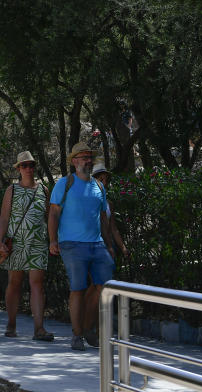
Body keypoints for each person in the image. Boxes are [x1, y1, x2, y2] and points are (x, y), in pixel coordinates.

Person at [48, 142, 114, 351]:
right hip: (71, 244)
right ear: (74, 161)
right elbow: (54, 213)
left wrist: (109, 244)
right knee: (77, 288)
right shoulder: (64, 183)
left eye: (89, 157)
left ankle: (87, 329)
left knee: (104, 288)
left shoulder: (99, 186)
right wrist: (52, 240)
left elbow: (103, 217)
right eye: (83, 157)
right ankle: (77, 335)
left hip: (97, 244)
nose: (88, 160)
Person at [0, 150, 53, 341]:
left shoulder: (43, 190)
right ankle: (11, 323)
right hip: (17, 242)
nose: (28, 168)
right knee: (15, 283)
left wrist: (54, 239)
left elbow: (49, 217)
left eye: (31, 165)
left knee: (37, 284)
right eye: (24, 165)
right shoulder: (11, 190)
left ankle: (39, 328)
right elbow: (4, 218)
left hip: (38, 242)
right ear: (18, 169)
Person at [83, 162, 129, 345]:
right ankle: (88, 327)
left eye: (105, 178)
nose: (103, 180)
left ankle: (90, 326)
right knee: (98, 287)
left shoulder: (107, 202)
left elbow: (112, 227)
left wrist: (122, 247)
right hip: (94, 248)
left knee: (98, 288)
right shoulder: (87, 200)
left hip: (107, 248)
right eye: (99, 177)